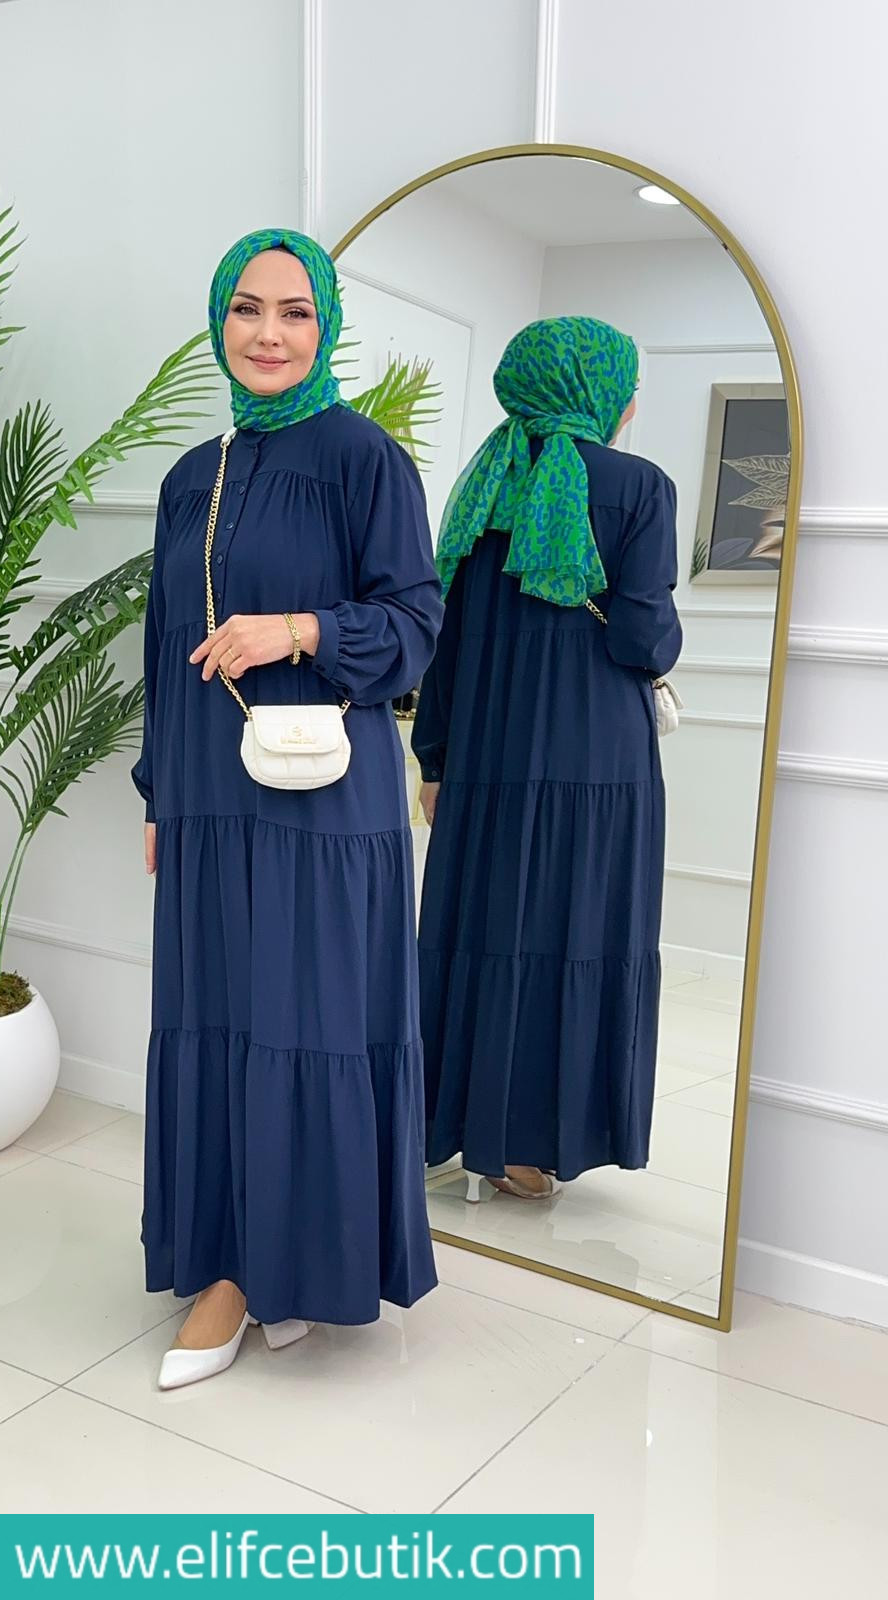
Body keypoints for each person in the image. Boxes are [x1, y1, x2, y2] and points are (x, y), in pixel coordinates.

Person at [131, 228, 443, 1390]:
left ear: (327, 327)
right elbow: (164, 646)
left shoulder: (366, 459)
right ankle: (236, 1259)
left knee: (306, 1021)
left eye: (295, 312)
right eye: (248, 309)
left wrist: (300, 630)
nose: (269, 333)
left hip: (325, 804)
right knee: (221, 1015)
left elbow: (417, 625)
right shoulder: (190, 477)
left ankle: (288, 1263)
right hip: (209, 796)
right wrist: (157, 791)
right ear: (220, 320)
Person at [411, 316, 682, 1200]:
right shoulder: (640, 486)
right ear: (605, 395)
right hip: (594, 762)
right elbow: (644, 639)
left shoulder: (484, 484)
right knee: (577, 934)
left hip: (484, 754)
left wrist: (434, 760)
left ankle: (447, 1126)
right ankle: (529, 1149)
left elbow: (443, 640)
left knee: (479, 932)